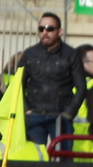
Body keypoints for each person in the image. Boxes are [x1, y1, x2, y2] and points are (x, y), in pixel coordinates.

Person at [17, 12, 83, 149]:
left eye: (50, 28)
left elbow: (81, 88)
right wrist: (27, 110)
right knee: (34, 160)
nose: (45, 32)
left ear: (60, 31)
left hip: (60, 117)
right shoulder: (29, 54)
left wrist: (68, 114)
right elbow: (17, 85)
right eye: (41, 29)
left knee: (63, 162)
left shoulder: (71, 54)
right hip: (34, 116)